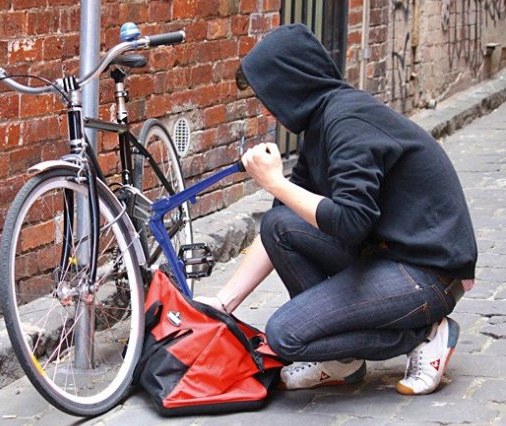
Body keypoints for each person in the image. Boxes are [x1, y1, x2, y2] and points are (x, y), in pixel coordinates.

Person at [195, 23, 477, 395]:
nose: (267, 108)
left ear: (290, 84)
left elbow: (350, 223)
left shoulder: (347, 122)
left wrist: (274, 181)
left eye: (268, 95)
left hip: (429, 271)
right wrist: (224, 301)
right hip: (385, 255)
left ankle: (424, 333)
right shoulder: (319, 126)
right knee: (279, 224)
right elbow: (282, 220)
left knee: (286, 335)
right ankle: (341, 361)